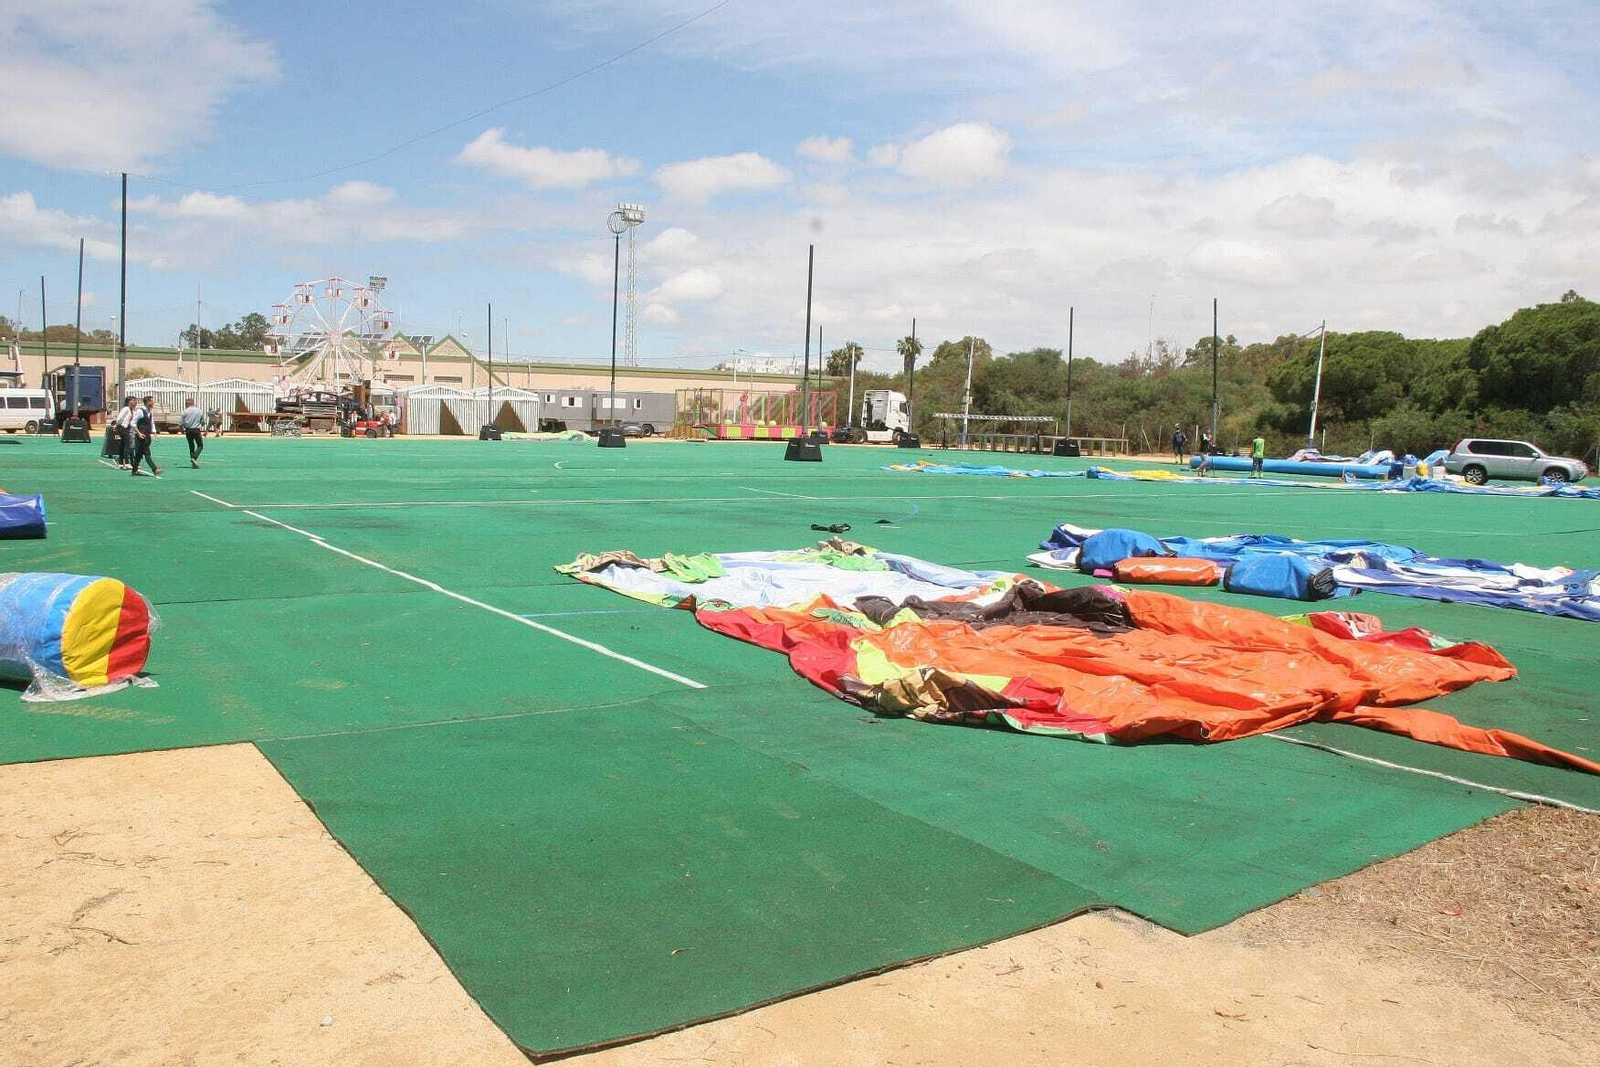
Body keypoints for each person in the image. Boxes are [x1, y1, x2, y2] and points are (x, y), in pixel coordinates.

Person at [131, 395, 161, 477]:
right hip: (141, 436)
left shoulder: (150, 412)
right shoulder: (140, 411)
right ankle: (154, 469)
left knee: (139, 454)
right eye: (151, 401)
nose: (153, 403)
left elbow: (152, 423)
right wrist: (139, 433)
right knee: (147, 453)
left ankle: (134, 470)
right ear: (147, 402)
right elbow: (133, 423)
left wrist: (155, 433)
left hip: (147, 435)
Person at [180, 396, 205, 468]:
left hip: (188, 430)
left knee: (191, 446)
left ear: (187, 404)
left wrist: (182, 430)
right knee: (200, 445)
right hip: (196, 430)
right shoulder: (199, 411)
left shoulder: (184, 411)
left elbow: (180, 423)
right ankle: (194, 458)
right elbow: (202, 422)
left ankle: (193, 462)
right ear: (193, 403)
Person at [113, 397, 137, 469]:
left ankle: (120, 462)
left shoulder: (131, 409)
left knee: (123, 445)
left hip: (126, 428)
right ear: (129, 401)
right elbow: (119, 418)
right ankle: (126, 462)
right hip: (123, 428)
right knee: (127, 445)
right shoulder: (126, 409)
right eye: (133, 400)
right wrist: (118, 425)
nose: (135, 402)